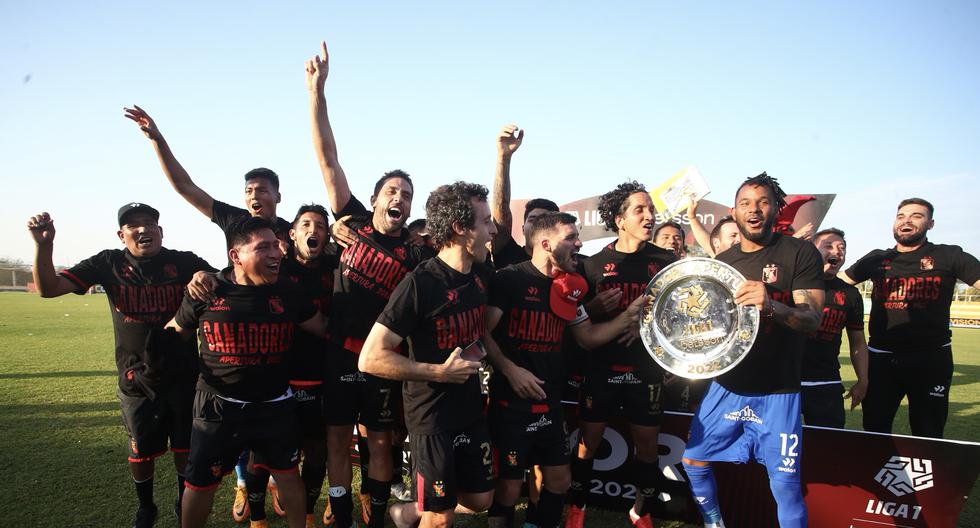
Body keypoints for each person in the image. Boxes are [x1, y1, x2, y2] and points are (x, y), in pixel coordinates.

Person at [125, 104, 294, 520]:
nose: (254, 196)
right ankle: (241, 484)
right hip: (232, 330)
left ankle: (270, 480)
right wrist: (158, 141)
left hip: (282, 330)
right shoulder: (234, 221)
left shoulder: (294, 230)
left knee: (280, 440)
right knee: (227, 422)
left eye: (262, 190)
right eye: (248, 191)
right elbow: (186, 188)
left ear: (277, 195)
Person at [306, 41, 433, 528]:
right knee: (338, 439)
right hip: (340, 352)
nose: (398, 198)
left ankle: (377, 515)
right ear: (377, 200)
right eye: (391, 191)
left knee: (382, 442)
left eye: (406, 194)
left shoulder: (419, 254)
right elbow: (327, 160)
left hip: (382, 360)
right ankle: (340, 513)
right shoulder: (352, 223)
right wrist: (317, 92)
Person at [28, 204, 215, 528]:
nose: (143, 230)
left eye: (150, 224)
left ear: (161, 231)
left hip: (183, 375)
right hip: (136, 378)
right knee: (141, 451)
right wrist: (44, 246)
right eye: (133, 225)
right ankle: (146, 507)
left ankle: (180, 499)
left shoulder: (183, 262)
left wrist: (206, 275)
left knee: (184, 448)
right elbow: (48, 289)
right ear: (121, 235)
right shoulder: (108, 263)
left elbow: (222, 278)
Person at [681, 173, 824, 528]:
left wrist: (772, 305)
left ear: (775, 209)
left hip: (778, 390)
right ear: (734, 211)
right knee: (694, 461)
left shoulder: (799, 253)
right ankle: (715, 524)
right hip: (727, 386)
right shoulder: (723, 262)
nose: (754, 209)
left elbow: (812, 320)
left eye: (762, 202)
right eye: (745, 203)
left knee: (785, 484)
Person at [485, 211, 646, 528]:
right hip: (510, 404)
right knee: (508, 486)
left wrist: (628, 316)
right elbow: (482, 332)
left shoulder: (570, 286)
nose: (579, 243)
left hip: (550, 402)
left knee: (559, 480)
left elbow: (587, 338)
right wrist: (509, 369)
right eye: (570, 237)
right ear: (546, 243)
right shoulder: (509, 279)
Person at [165, 217, 328, 528]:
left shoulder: (288, 291)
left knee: (288, 476)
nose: (276, 253)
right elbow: (175, 333)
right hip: (218, 404)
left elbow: (322, 327)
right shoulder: (207, 290)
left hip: (275, 404)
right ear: (236, 256)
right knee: (200, 483)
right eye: (262, 247)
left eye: (276, 246)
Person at [360, 181, 497, 528]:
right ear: (460, 228)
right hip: (431, 417)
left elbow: (481, 332)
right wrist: (438, 373)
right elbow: (370, 358)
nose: (492, 230)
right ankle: (425, 511)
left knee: (480, 500)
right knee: (439, 517)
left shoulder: (481, 274)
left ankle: (403, 513)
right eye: (485, 222)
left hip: (469, 408)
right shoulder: (420, 284)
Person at [566, 181, 677, 528]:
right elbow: (574, 319)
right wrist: (593, 305)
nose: (649, 216)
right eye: (639, 210)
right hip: (601, 368)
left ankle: (640, 511)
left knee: (647, 445)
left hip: (645, 369)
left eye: (651, 209)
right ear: (620, 219)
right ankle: (577, 507)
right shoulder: (594, 265)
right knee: (588, 443)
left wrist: (646, 323)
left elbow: (679, 314)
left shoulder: (667, 262)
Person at [840, 198, 980, 438]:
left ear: (931, 223)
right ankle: (873, 475)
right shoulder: (876, 258)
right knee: (874, 427)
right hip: (882, 359)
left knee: (928, 431)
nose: (906, 221)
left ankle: (923, 476)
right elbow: (837, 281)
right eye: (901, 216)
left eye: (916, 216)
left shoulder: (949, 255)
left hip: (930, 358)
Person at [280, 205, 340, 526]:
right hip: (281, 373)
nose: (312, 229)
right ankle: (260, 504)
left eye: (320, 225)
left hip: (323, 371)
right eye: (305, 224)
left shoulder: (337, 265)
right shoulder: (277, 266)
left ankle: (306, 514)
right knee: (282, 449)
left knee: (318, 449)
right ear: (292, 234)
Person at [801, 228, 868, 428]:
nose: (837, 251)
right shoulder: (792, 283)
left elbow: (858, 342)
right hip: (787, 382)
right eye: (828, 246)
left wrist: (863, 381)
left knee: (829, 446)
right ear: (811, 250)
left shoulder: (850, 294)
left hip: (826, 382)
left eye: (842, 248)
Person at [488, 124, 561, 269]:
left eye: (545, 220)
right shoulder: (509, 254)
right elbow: (501, 209)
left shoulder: (569, 263)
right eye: (533, 220)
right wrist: (504, 158)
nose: (538, 225)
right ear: (522, 229)